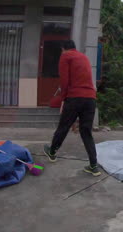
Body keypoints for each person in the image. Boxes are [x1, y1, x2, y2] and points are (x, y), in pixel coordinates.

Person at [43, 40, 101, 176]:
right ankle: (94, 165)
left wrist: (63, 99)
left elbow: (64, 80)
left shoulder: (66, 56)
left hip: (75, 97)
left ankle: (52, 152)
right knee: (86, 132)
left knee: (63, 126)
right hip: (90, 98)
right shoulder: (84, 57)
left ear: (64, 49)